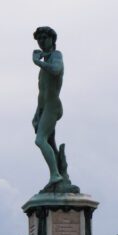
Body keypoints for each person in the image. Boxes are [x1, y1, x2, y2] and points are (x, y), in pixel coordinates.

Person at [31, 26, 73, 191]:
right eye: (38, 38)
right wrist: (37, 112)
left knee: (40, 140)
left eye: (44, 37)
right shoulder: (46, 60)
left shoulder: (56, 56)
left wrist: (38, 62)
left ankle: (55, 175)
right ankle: (60, 174)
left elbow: (56, 71)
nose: (41, 41)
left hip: (53, 106)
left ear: (51, 39)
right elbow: (42, 91)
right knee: (49, 143)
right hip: (44, 107)